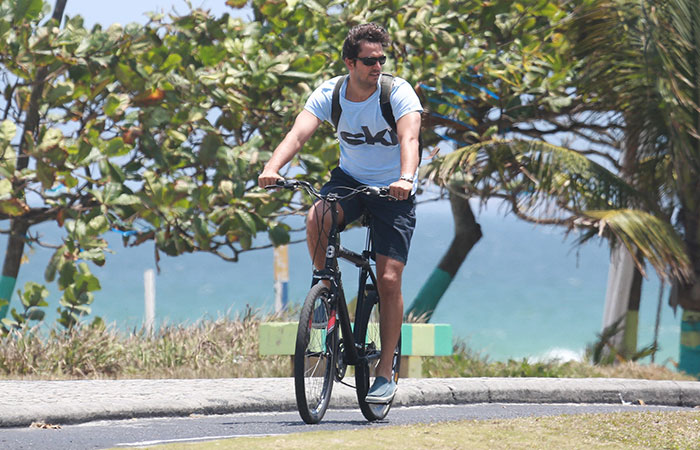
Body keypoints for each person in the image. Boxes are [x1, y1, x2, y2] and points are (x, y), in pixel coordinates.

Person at [258, 23, 422, 403]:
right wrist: (272, 168)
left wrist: (406, 178)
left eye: (381, 59)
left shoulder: (397, 93)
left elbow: (409, 138)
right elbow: (298, 134)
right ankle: (325, 293)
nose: (377, 66)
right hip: (350, 180)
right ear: (350, 62)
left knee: (389, 278)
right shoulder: (330, 94)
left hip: (393, 189)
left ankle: (384, 371)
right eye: (369, 61)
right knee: (317, 216)